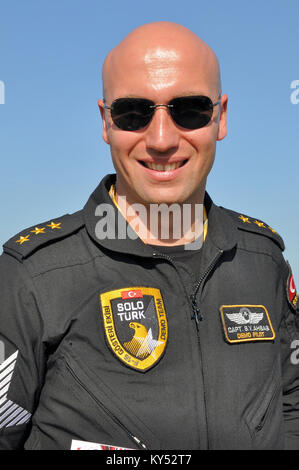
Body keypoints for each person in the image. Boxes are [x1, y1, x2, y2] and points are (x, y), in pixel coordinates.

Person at [0, 21, 298, 451]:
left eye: (190, 110)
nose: (161, 139)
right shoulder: (32, 276)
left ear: (221, 118)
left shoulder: (261, 259)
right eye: (134, 113)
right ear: (106, 122)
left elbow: (291, 404)